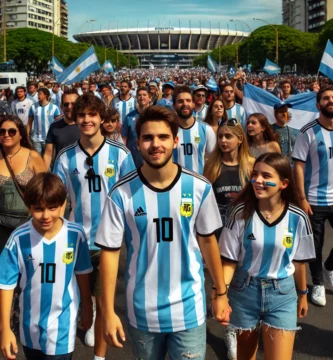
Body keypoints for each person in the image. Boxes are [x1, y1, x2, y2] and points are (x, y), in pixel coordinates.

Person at [95, 105, 231, 359]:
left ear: (175, 140)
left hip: (189, 310)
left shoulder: (199, 187)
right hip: (142, 313)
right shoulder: (120, 193)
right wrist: (109, 310)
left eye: (163, 137)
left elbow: (208, 242)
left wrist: (221, 293)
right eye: (148, 137)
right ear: (137, 143)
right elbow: (111, 254)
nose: (155, 144)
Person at [53, 93, 135, 360]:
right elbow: (57, 200)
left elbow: (132, 199)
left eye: (92, 114)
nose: (86, 120)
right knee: (80, 297)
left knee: (103, 299)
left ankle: (99, 356)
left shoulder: (120, 153)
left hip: (109, 243)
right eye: (81, 115)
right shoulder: (65, 157)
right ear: (75, 119)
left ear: (101, 118)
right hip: (77, 241)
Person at [220, 152, 315, 360]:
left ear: (284, 183)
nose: (258, 180)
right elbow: (228, 260)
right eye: (255, 174)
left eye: (266, 176)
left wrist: (302, 294)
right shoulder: (239, 213)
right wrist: (220, 294)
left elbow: (299, 261)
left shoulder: (298, 218)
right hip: (244, 291)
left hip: (282, 294)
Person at [0, 173, 93, 360]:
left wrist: (88, 306)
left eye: (52, 208)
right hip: (29, 326)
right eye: (38, 209)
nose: (45, 215)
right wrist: (5, 328)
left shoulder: (75, 235)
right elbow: (6, 283)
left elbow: (82, 273)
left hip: (63, 327)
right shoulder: (18, 238)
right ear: (28, 207)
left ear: (62, 204)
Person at [204, 118, 254, 360]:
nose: (223, 140)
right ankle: (231, 329)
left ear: (240, 139)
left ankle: (237, 325)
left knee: (240, 283)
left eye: (229, 136)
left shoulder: (251, 166)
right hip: (217, 236)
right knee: (222, 282)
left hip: (246, 237)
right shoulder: (211, 166)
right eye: (221, 136)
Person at [292, 86, 333, 306]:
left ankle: (329, 267)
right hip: (315, 198)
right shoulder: (307, 131)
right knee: (316, 245)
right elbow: (298, 166)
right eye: (326, 98)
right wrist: (302, 199)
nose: (330, 101)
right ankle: (317, 283)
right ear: (318, 105)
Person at [0, 115, 45, 251]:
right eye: (2, 132)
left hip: (28, 224)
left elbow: (46, 190)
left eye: (12, 131)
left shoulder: (33, 156)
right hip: (1, 226)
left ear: (21, 135)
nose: (7, 135)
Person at [172, 85, 216, 175]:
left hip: (199, 185)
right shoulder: (169, 130)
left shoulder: (206, 129)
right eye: (180, 101)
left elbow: (214, 159)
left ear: (193, 104)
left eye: (188, 100)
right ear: (174, 106)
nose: (185, 104)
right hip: (175, 185)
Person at [43, 89, 80, 171]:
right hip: (61, 172)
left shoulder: (86, 126)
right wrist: (44, 176)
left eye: (73, 104)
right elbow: (48, 154)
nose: (69, 107)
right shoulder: (54, 126)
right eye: (66, 104)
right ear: (61, 106)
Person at [121, 86, 151, 168]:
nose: (142, 97)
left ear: (150, 98)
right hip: (134, 161)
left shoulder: (156, 115)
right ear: (136, 98)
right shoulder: (129, 117)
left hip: (151, 159)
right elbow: (124, 139)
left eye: (144, 95)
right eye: (139, 95)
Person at [27, 88, 61, 156]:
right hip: (36, 139)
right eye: (38, 94)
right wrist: (28, 135)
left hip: (49, 140)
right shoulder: (33, 107)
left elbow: (58, 123)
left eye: (40, 94)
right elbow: (29, 122)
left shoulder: (54, 108)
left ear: (46, 95)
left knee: (49, 161)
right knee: (38, 160)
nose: (38, 96)